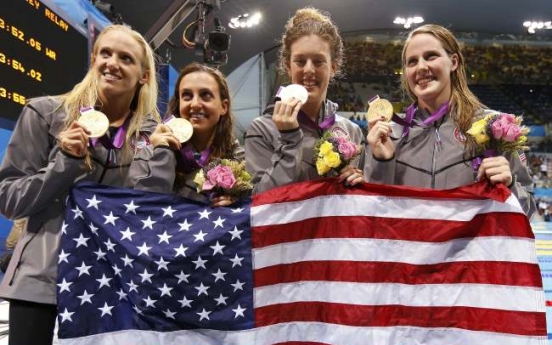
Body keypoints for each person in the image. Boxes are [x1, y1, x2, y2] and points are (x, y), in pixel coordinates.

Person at [0, 24, 160, 345]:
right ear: (93, 59)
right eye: (105, 53)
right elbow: (10, 200)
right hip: (40, 281)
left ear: (143, 75)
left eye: (125, 58)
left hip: (110, 285)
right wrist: (65, 161)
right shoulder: (46, 113)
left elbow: (152, 213)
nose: (112, 63)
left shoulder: (153, 137)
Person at [365, 24, 535, 217]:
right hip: (410, 246)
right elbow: (373, 211)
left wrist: (510, 185)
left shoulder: (496, 127)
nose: (421, 67)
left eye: (431, 56)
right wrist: (382, 162)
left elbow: (528, 209)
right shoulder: (389, 134)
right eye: (412, 62)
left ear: (453, 62)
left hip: (469, 247)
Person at [244, 7, 365, 194]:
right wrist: (290, 142)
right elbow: (259, 200)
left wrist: (357, 183)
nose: (309, 69)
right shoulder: (262, 129)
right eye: (300, 61)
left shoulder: (351, 131)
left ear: (333, 67)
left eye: (318, 61)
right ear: (288, 66)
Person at [127, 62, 243, 207]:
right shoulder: (152, 149)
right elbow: (138, 208)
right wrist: (164, 153)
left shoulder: (238, 159)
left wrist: (236, 206)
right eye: (187, 96)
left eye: (205, 95)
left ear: (223, 107)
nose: (195, 104)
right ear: (179, 104)